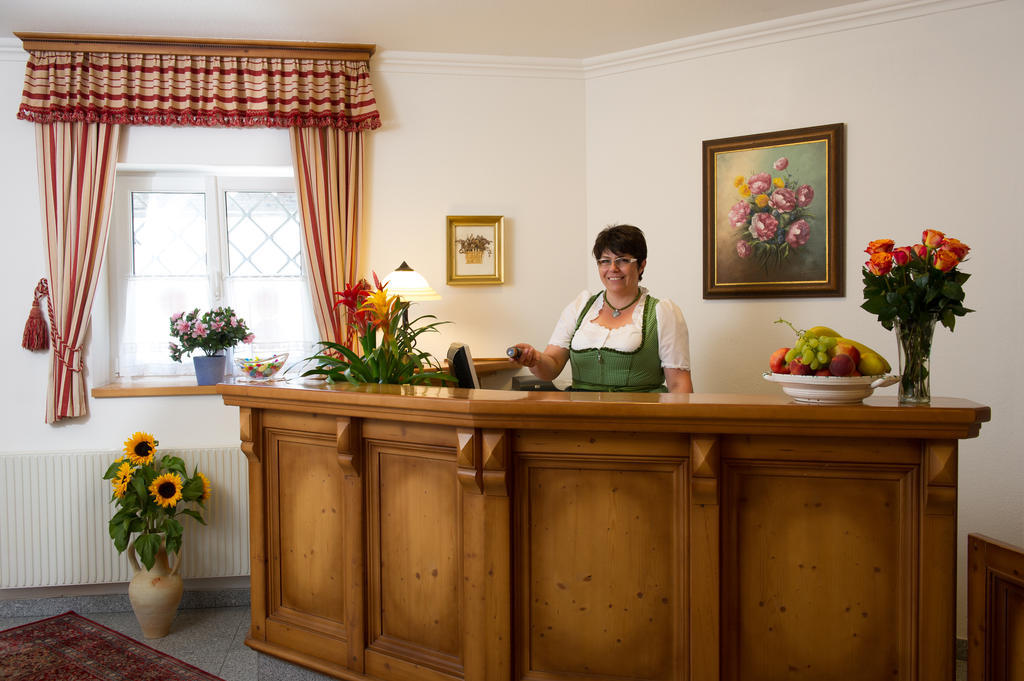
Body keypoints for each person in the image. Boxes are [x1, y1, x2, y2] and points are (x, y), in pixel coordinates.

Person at [510, 224, 692, 393]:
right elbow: (552, 366)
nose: (613, 268)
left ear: (641, 265)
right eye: (604, 261)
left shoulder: (663, 312)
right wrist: (534, 359)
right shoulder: (581, 307)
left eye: (622, 260)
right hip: (582, 417)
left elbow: (679, 385)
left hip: (640, 419)